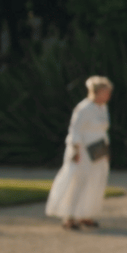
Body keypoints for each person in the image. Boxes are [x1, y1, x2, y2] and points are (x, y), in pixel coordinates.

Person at [45, 76, 112, 230]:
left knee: (94, 182)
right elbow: (75, 130)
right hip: (82, 151)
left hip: (98, 151)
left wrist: (106, 151)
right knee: (77, 182)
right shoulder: (83, 108)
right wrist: (75, 150)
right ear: (97, 92)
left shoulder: (103, 108)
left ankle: (85, 214)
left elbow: (102, 131)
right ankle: (69, 217)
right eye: (105, 92)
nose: (108, 96)